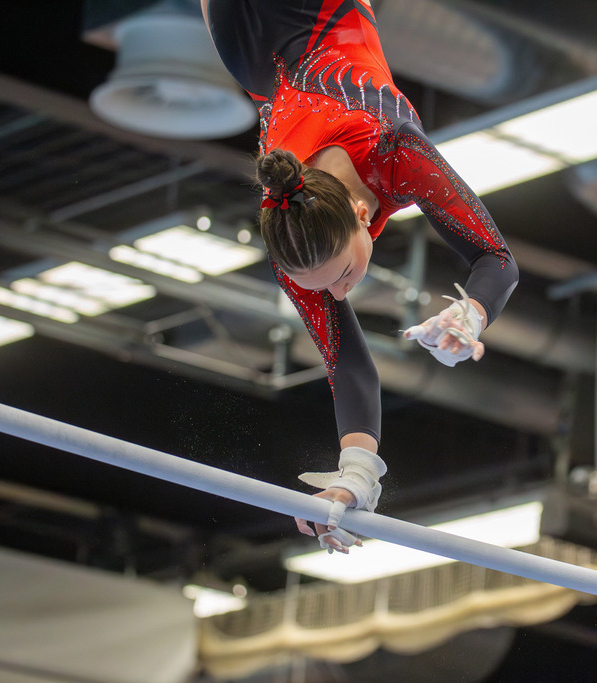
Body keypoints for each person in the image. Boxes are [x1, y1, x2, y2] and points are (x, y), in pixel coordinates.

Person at [202, 0, 519, 552]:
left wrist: (475, 309)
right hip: (266, 50)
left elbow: (498, 258)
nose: (337, 292)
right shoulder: (297, 245)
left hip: (255, 41)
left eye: (343, 273)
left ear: (358, 212)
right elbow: (347, 363)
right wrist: (355, 478)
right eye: (329, 284)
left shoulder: (394, 150)